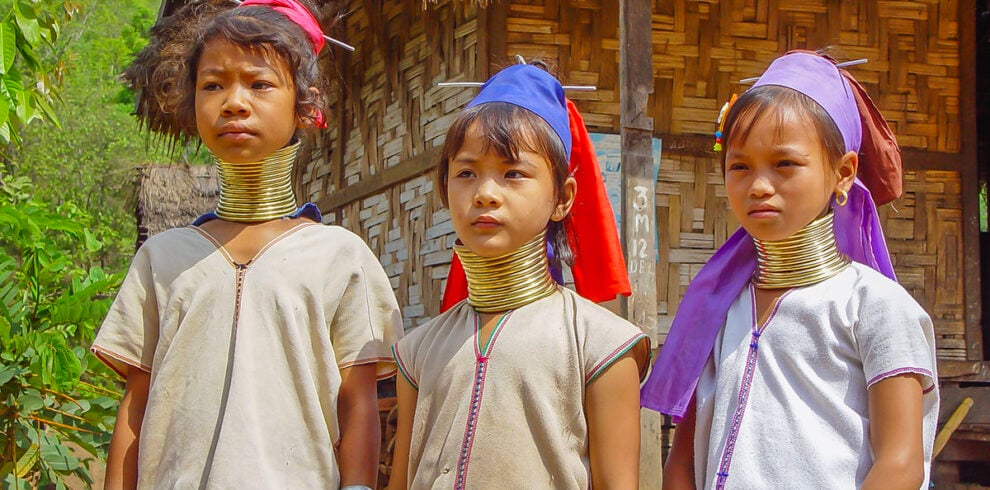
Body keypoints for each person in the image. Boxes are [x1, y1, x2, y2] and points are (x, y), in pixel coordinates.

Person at [91, 1, 402, 488]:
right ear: (191, 104)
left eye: (260, 84)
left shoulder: (340, 258)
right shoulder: (163, 258)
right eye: (213, 85)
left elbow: (358, 401)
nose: (234, 102)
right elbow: (137, 399)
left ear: (307, 105)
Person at [641, 51, 939, 489]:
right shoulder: (716, 310)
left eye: (784, 164)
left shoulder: (876, 307)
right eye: (739, 166)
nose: (759, 186)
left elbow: (900, 463)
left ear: (843, 173)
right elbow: (684, 458)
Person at [387, 62, 651, 490]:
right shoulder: (418, 351)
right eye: (466, 173)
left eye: (513, 173)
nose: (485, 193)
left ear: (562, 198)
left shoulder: (601, 346)